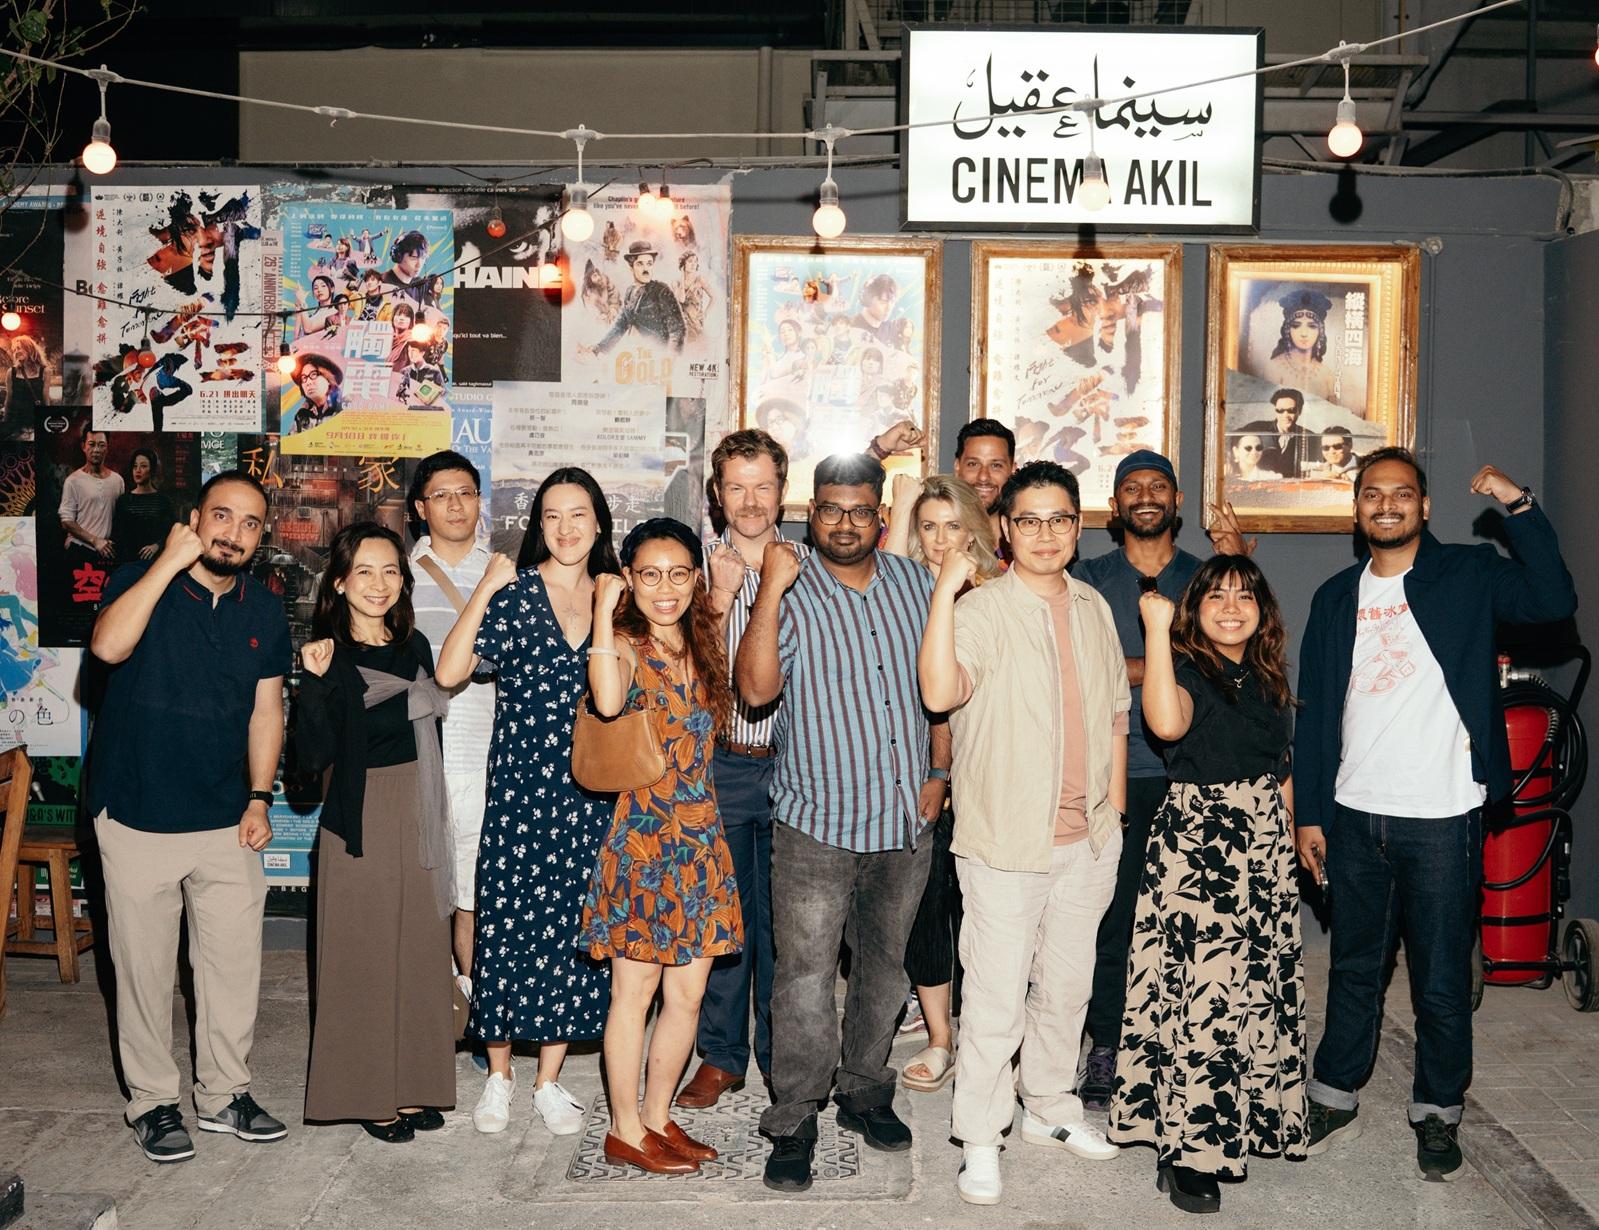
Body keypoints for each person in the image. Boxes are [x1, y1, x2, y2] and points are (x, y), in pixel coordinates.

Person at [1295, 449, 1576, 1181]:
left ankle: (1436, 1112)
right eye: (1371, 495)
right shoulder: (1333, 597)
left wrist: (1519, 505)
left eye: (1401, 494)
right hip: (1355, 813)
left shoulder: (1468, 576)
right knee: (1354, 966)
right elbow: (1318, 711)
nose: (1385, 505)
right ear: (1355, 510)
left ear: (1423, 507)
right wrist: (1311, 813)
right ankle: (1332, 1093)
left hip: (1443, 814)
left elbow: (1552, 598)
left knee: (1441, 978)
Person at [735, 452, 948, 1193]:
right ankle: (793, 1118)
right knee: (802, 980)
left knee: (885, 969)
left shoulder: (914, 584)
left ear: (878, 516)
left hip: (902, 819)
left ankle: (863, 1087)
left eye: (861, 509)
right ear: (810, 512)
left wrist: (938, 773)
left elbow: (939, 685)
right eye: (831, 509)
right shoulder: (787, 592)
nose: (846, 522)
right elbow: (755, 689)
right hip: (815, 822)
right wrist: (768, 588)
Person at [919, 460, 1128, 1205]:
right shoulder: (980, 611)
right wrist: (946, 587)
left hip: (1088, 842)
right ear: (1004, 528)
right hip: (1006, 844)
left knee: (1066, 991)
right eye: (1029, 519)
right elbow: (938, 693)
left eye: (1061, 519)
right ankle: (979, 1135)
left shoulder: (1095, 606)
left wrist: (1112, 817)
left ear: (1079, 526)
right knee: (998, 999)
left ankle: (1050, 1108)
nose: (1046, 533)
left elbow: (1112, 716)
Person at [86, 471, 290, 1163]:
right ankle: (152, 1103)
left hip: (226, 817)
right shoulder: (139, 582)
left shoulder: (262, 610)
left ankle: (225, 1094)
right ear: (195, 518)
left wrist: (260, 796)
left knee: (232, 968)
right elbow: (109, 648)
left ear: (262, 538)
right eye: (221, 517)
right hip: (138, 810)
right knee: (142, 972)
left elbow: (268, 710)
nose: (233, 533)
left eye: (250, 523)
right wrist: (167, 562)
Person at [1107, 554, 1305, 1215]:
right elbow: (1164, 725)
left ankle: (1234, 1117)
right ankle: (1186, 1150)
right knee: (1203, 999)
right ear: (1194, 610)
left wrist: (1297, 837)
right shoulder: (1187, 669)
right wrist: (1156, 632)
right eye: (1214, 595)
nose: (1229, 606)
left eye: (1243, 595)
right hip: (1202, 850)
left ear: (1262, 611)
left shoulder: (1268, 677)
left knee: (1249, 992)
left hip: (1264, 849)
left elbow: (1279, 765)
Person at [435, 467, 617, 1138]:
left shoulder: (612, 596)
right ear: (537, 525)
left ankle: (547, 1081)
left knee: (569, 933)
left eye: (578, 515)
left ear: (599, 523)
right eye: (552, 516)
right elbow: (451, 672)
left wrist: (605, 607)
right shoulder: (515, 595)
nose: (566, 528)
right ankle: (500, 1076)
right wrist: (484, 587)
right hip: (518, 789)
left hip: (589, 792)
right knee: (505, 927)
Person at [578, 518, 745, 1174]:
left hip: (702, 842)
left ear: (694, 577)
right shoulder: (621, 644)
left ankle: (654, 1116)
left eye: (678, 573)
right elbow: (609, 702)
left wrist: (723, 602)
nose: (665, 588)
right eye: (649, 575)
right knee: (634, 993)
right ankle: (623, 1129)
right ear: (630, 579)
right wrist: (601, 609)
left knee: (687, 997)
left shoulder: (702, 642)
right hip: (644, 846)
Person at [294, 523, 455, 1142]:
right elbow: (309, 760)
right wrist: (311, 685)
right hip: (359, 813)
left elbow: (428, 734)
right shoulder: (330, 654)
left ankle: (416, 1081)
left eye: (390, 570)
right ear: (339, 581)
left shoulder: (413, 647)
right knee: (361, 956)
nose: (379, 583)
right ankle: (365, 1091)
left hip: (418, 803)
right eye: (363, 571)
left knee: (418, 950)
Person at [1070, 450, 1210, 1109]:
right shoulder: (1088, 579)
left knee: (1192, 921)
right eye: (1132, 488)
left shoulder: (1208, 577)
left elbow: (1232, 661)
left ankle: (1182, 1045)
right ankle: (1105, 1046)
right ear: (1115, 505)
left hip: (1197, 776)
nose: (1145, 496)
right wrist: (1172, 656)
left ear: (1175, 501)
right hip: (1115, 774)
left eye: (1157, 486)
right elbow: (1080, 667)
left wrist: (1141, 662)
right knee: (1111, 921)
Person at [676, 430, 810, 1111]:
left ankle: (785, 1058)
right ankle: (721, 1058)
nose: (751, 502)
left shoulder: (813, 566)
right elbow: (675, 676)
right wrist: (718, 600)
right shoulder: (692, 572)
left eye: (762, 486)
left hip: (798, 767)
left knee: (791, 926)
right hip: (722, 765)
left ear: (782, 491)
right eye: (736, 487)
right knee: (723, 921)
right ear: (717, 495)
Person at [882, 471, 1001, 1095]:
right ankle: (939, 1037)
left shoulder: (994, 594)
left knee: (986, 917)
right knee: (924, 912)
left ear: (975, 531)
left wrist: (946, 770)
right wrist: (902, 506)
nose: (939, 539)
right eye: (928, 527)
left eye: (953, 525)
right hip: (913, 776)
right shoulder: (898, 590)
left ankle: (989, 1033)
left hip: (982, 773)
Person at [405, 452, 494, 1029]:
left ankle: (474, 1015)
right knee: (420, 885)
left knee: (475, 891)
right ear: (421, 508)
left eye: (465, 492)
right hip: (417, 749)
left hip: (487, 750)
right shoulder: (398, 573)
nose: (456, 504)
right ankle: (423, 1010)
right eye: (442, 494)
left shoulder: (505, 573)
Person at [586, 241, 687, 355]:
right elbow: (620, 326)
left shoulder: (661, 290)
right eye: (640, 264)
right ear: (631, 268)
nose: (646, 269)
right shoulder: (629, 292)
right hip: (636, 354)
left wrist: (670, 360)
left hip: (657, 355)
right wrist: (599, 348)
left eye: (649, 263)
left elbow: (678, 330)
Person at [945, 419, 1016, 549]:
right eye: (973, 464)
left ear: (1012, 470)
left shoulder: (1026, 543)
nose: (983, 477)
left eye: (996, 465)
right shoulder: (937, 542)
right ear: (957, 466)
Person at [60, 429, 125, 566]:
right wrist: (95, 541)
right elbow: (66, 521)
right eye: (92, 444)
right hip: (80, 549)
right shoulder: (73, 481)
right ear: (83, 446)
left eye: (101, 445)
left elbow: (120, 517)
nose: (96, 449)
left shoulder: (117, 480)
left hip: (107, 551)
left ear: (107, 447)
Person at [1261, 290, 1336, 404]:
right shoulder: (1274, 368)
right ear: (1287, 330)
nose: (1304, 333)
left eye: (1312, 326)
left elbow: (1335, 418)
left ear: (1320, 332)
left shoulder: (1326, 374)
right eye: (1296, 326)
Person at [111, 447, 179, 565]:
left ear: (152, 470)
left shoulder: (163, 500)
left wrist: (157, 546)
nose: (138, 470)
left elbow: (174, 530)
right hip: (128, 562)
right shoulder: (123, 500)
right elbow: (117, 534)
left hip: (156, 562)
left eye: (143, 466)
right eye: (135, 466)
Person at [1245, 389, 1314, 479]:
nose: (1285, 415)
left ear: (1299, 411)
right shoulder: (1257, 427)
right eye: (1280, 410)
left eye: (1291, 410)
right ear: (1275, 411)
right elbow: (1228, 440)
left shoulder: (1309, 436)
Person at [289, 354, 344, 434]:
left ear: (328, 379)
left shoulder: (343, 408)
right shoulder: (302, 414)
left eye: (313, 374)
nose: (308, 382)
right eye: (304, 378)